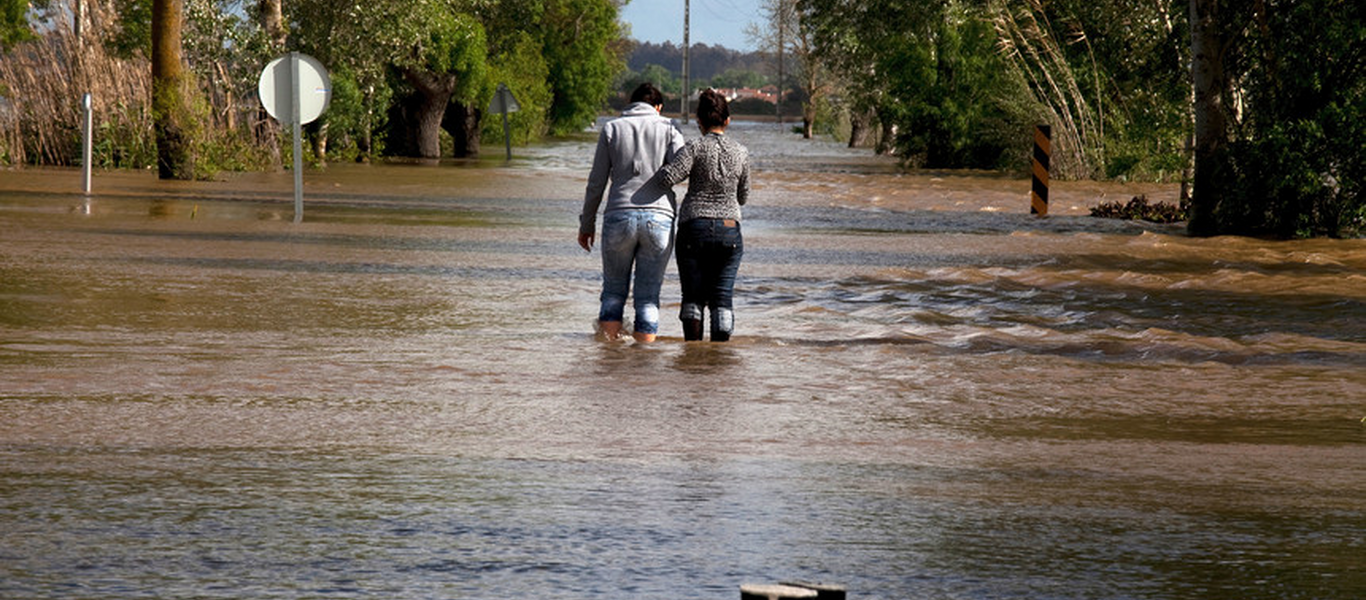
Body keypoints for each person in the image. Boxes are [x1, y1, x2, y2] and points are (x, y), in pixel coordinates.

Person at [579, 83, 686, 342]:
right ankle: (644, 362)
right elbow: (684, 166)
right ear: (657, 107)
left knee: (613, 291)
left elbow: (597, 182)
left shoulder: (612, 128)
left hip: (619, 213)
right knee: (648, 295)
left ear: (631, 103)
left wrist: (587, 223)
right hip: (659, 216)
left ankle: (609, 355)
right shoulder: (670, 128)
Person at [654, 89, 750, 342]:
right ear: (727, 121)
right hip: (730, 229)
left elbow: (668, 178)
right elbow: (743, 196)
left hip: (693, 227)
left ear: (699, 121)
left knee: (693, 296)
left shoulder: (694, 148)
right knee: (722, 298)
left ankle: (692, 354)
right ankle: (718, 358)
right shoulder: (741, 152)